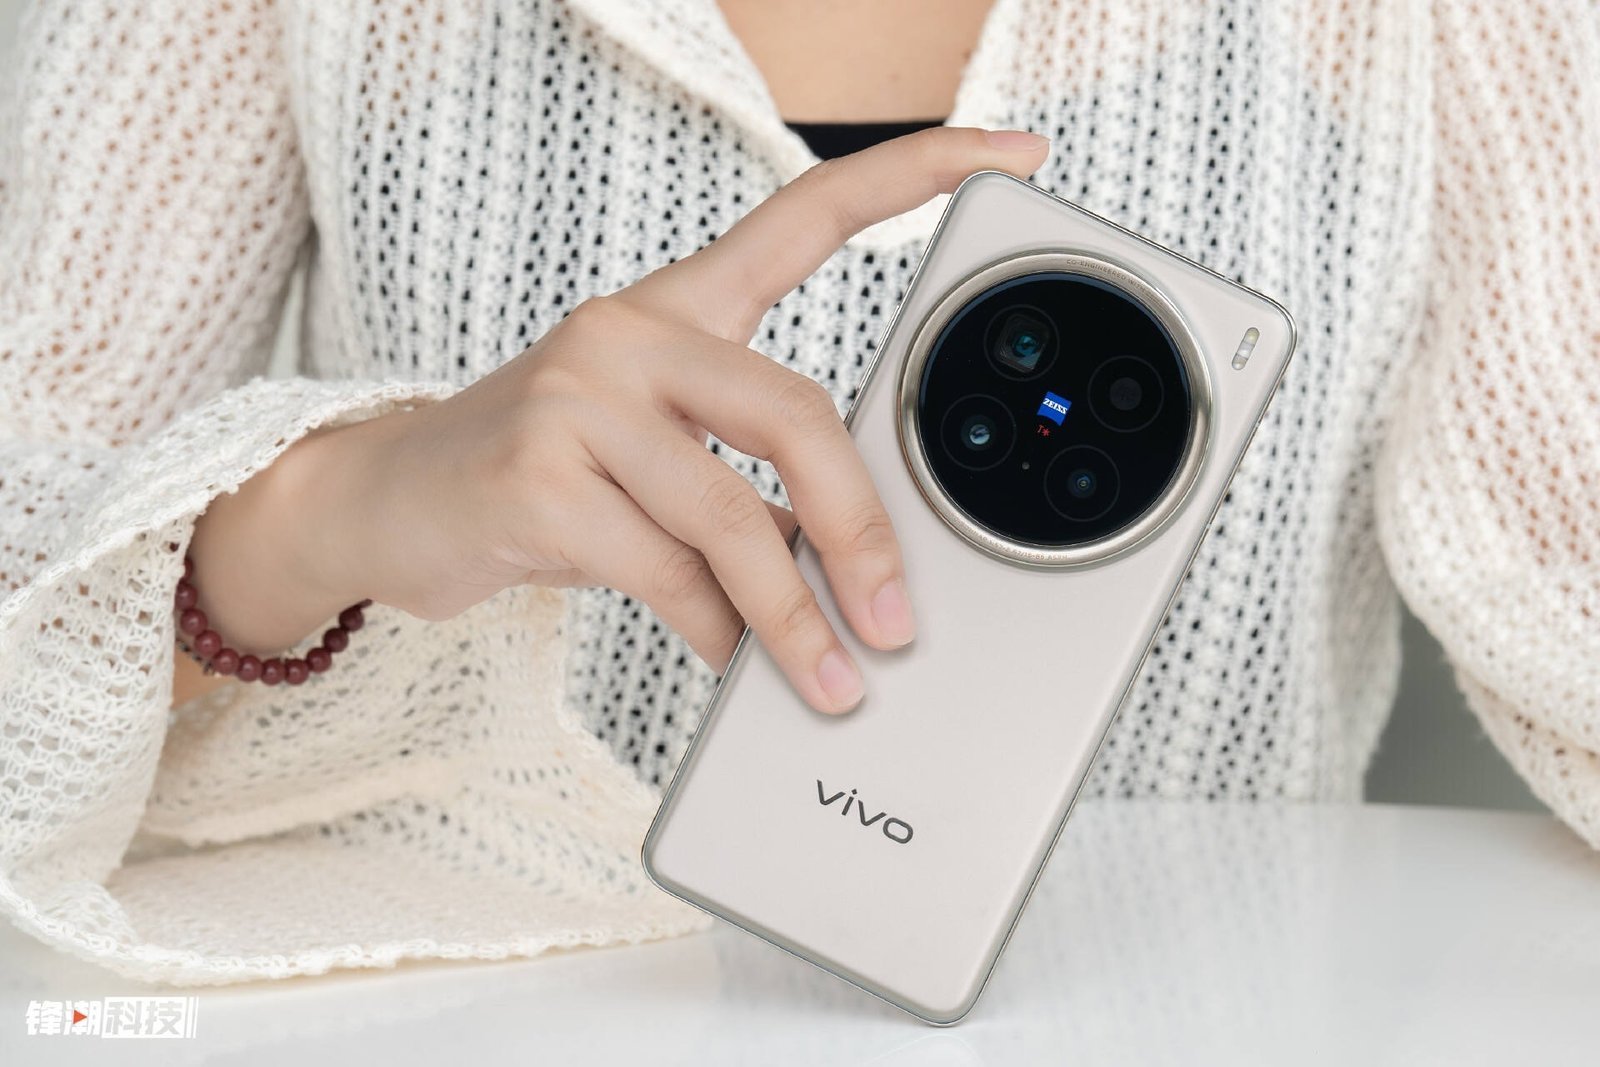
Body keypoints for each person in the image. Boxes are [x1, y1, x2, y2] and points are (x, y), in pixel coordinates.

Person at [0, 0, 1594, 986]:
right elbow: (24, 546)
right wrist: (323, 514)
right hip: (429, 1013)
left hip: (1165, 1018)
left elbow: (1566, 582)